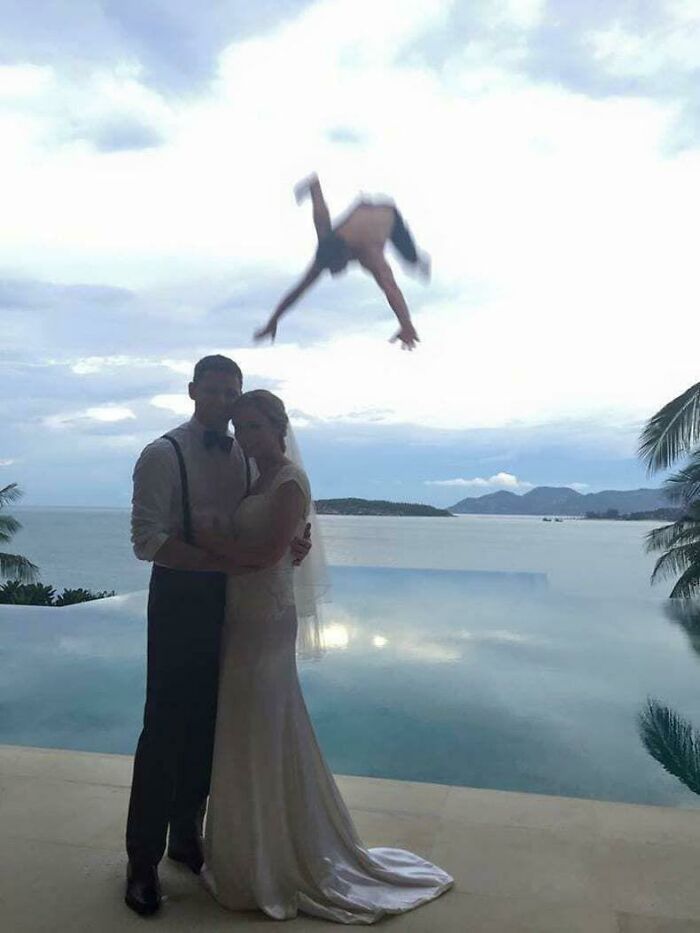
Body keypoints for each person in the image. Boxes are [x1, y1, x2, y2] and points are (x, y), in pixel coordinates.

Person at [198, 390, 453, 924]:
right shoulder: (258, 479)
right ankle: (250, 852)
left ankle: (278, 860)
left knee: (263, 726)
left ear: (279, 428)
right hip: (241, 617)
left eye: (256, 427)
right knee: (249, 728)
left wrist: (200, 551)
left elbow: (267, 554)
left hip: (265, 618)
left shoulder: (290, 481)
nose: (246, 437)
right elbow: (274, 544)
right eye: (240, 428)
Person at [125, 356, 311, 917]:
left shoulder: (245, 456)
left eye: (233, 394)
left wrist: (283, 549)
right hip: (182, 598)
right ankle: (141, 862)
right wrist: (225, 564)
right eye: (214, 392)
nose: (225, 404)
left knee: (212, 723)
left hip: (236, 605)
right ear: (192, 392)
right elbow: (147, 540)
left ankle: (187, 836)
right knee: (164, 727)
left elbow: (266, 523)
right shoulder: (163, 454)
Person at [254, 174, 429, 351]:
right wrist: (273, 320)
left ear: (347, 254)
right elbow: (298, 291)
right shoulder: (326, 238)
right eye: (330, 270)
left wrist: (406, 324)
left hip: (388, 214)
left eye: (337, 268)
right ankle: (315, 186)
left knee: (411, 260)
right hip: (363, 208)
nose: (333, 273)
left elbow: (391, 289)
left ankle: (420, 261)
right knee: (321, 217)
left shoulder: (370, 253)